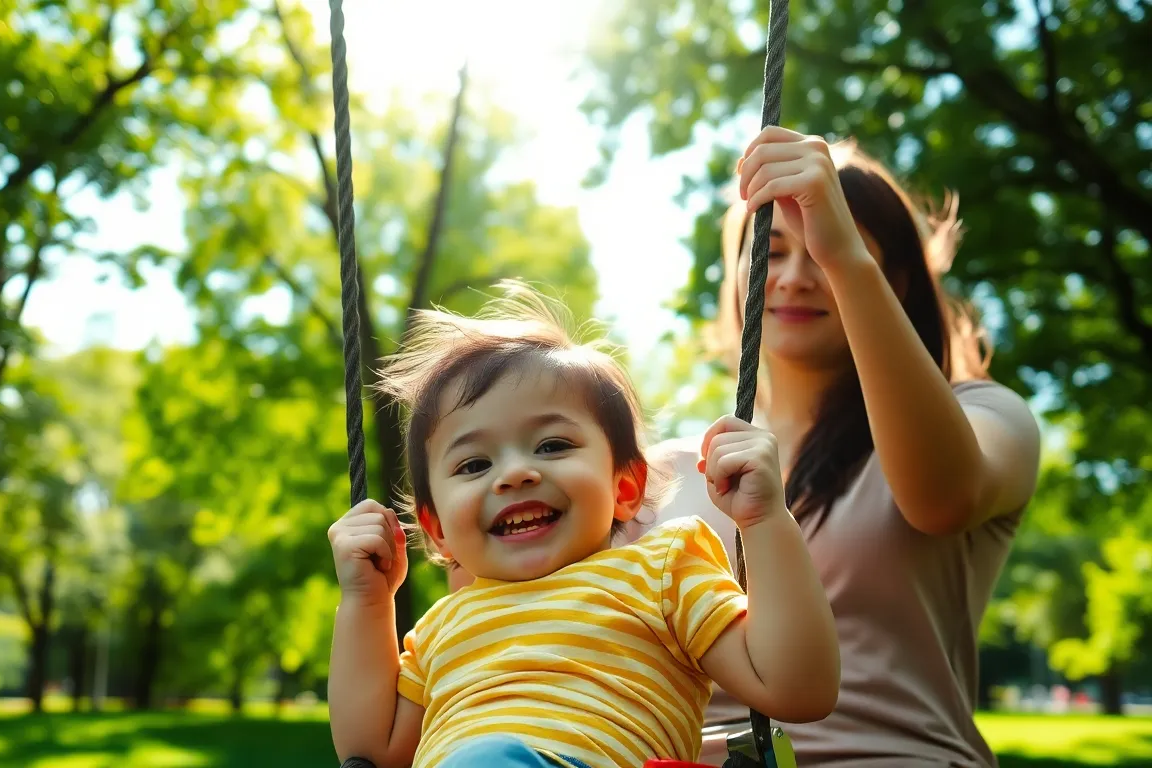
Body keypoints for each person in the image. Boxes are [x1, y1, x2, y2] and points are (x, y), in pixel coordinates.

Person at [635, 128, 1043, 766]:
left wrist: (844, 255)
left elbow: (942, 497)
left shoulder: (985, 417)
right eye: (770, 249)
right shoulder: (658, 473)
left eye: (823, 252)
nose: (797, 276)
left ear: (895, 279)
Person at [326, 283, 841, 768]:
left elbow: (798, 688)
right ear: (436, 528)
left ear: (624, 488)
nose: (514, 474)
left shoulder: (660, 570)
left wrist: (766, 521)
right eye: (473, 464)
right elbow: (371, 749)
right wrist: (368, 603)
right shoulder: (442, 628)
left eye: (552, 445)